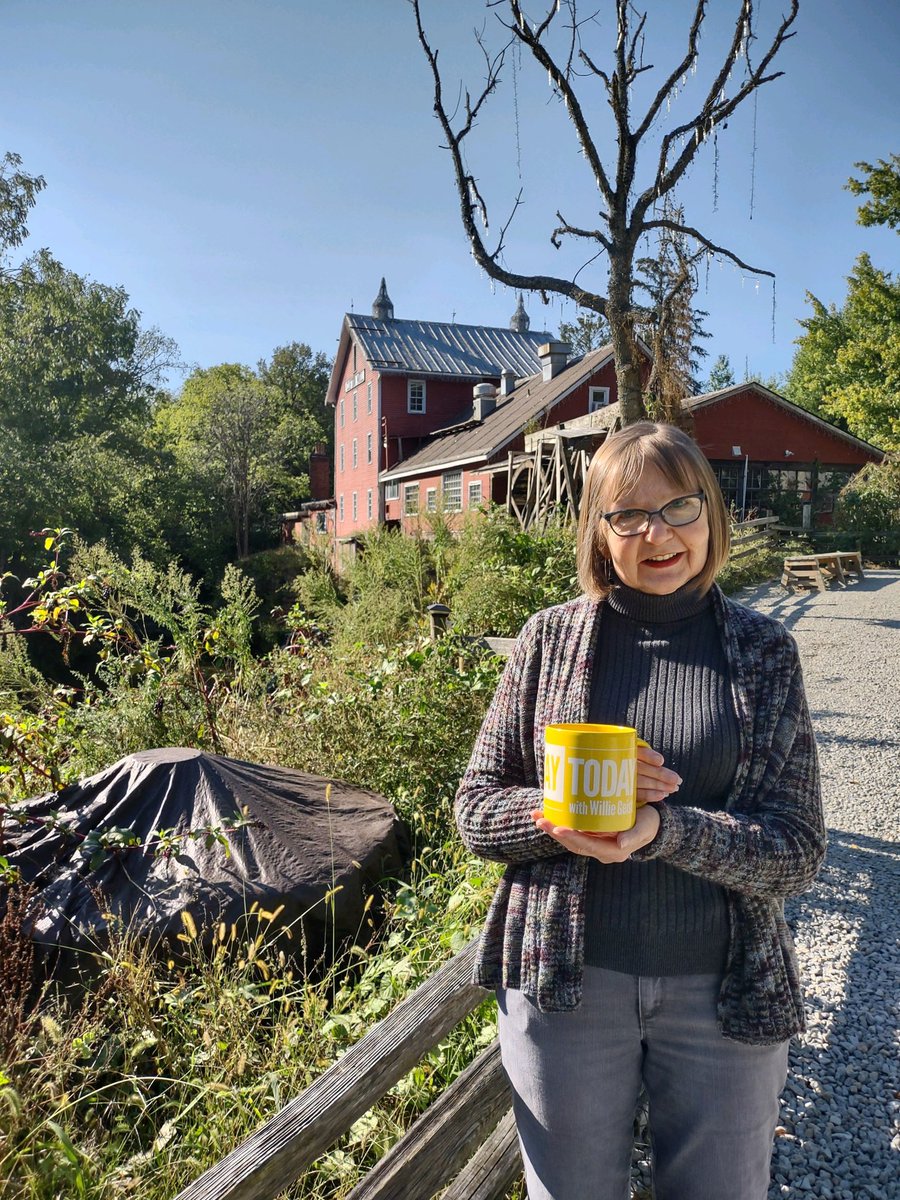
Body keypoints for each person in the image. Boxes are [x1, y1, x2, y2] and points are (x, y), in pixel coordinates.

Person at [455, 421, 826, 1200]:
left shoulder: (763, 652)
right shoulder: (547, 641)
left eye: (679, 507)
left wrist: (664, 830)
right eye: (628, 514)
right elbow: (475, 810)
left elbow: (797, 850)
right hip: (564, 990)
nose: (656, 533)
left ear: (711, 515)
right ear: (599, 530)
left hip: (721, 996)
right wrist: (555, 821)